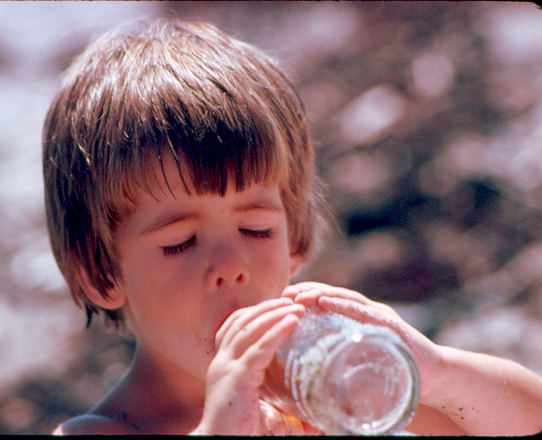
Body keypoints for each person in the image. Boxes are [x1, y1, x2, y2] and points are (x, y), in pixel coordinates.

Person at [42, 19, 542, 435]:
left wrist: (438, 373)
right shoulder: (100, 431)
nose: (230, 267)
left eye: (257, 230)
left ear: (294, 243)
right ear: (102, 272)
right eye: (181, 242)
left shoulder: (330, 388)